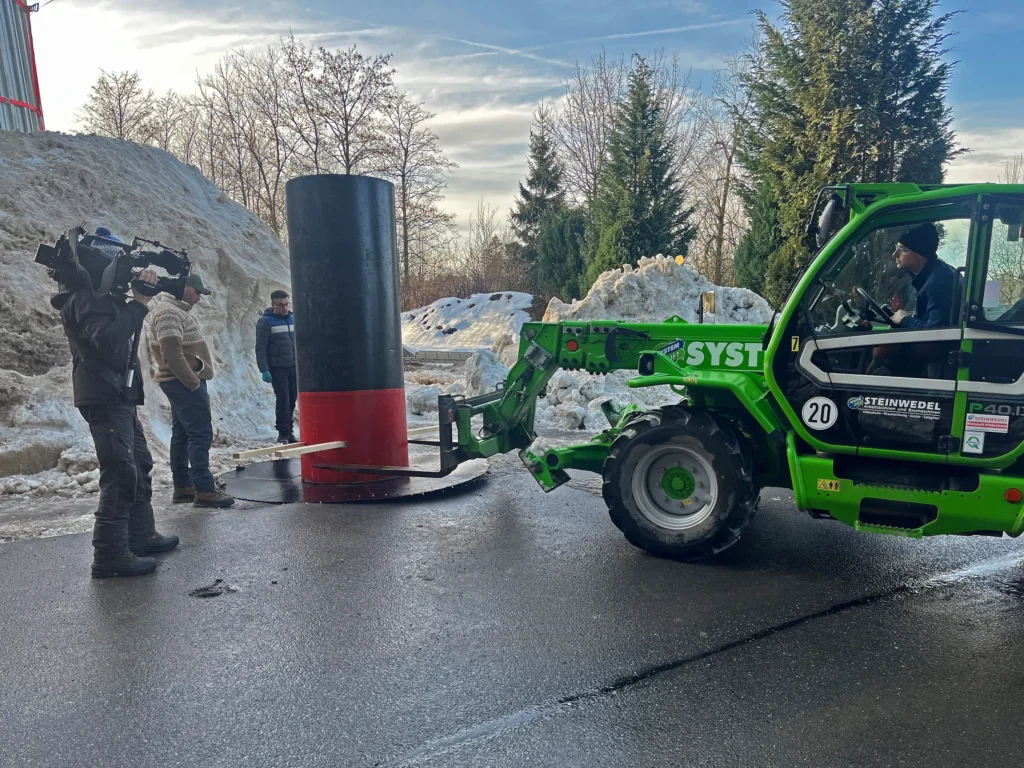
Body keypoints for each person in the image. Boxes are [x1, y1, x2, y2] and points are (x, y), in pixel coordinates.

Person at [52, 237, 179, 579]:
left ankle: (140, 535)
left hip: (117, 396)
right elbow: (108, 343)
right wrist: (138, 304)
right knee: (120, 471)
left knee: (139, 462)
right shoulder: (86, 299)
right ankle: (109, 554)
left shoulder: (98, 299)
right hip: (104, 395)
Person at [147, 272, 235, 508]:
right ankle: (204, 490)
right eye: (197, 292)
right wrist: (194, 383)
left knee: (183, 434)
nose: (199, 298)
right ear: (184, 287)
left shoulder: (171, 310)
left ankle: (184, 487)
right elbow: (171, 354)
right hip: (183, 383)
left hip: (178, 382)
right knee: (199, 433)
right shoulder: (168, 312)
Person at [890, 222, 961, 329]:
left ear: (921, 254)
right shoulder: (937, 272)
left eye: (904, 250)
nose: (894, 254)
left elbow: (936, 331)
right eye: (896, 248)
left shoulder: (937, 283)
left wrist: (905, 320)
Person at [256, 290, 297, 444]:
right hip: (278, 368)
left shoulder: (293, 318)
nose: (285, 308)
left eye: (287, 304)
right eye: (280, 305)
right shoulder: (265, 322)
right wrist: (264, 369)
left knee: (292, 399)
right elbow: (260, 347)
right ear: (273, 304)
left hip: (294, 366)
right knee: (283, 399)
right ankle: (283, 432)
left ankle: (290, 430)